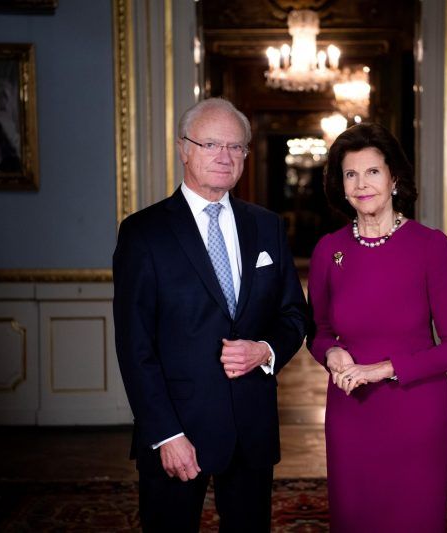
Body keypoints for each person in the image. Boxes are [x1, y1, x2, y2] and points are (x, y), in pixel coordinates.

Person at [113, 97, 307, 532]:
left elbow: (294, 314)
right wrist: (165, 434)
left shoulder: (267, 226)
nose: (225, 156)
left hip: (252, 430)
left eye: (236, 147)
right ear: (184, 149)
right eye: (211, 144)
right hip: (178, 432)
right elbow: (134, 345)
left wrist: (265, 349)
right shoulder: (144, 233)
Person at [307, 122, 447, 532]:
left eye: (373, 172)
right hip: (350, 413)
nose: (362, 184)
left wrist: (380, 369)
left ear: (394, 178)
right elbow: (319, 329)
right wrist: (331, 352)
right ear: (341, 185)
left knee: (412, 517)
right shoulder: (329, 250)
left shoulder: (430, 246)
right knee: (354, 517)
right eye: (351, 174)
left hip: (415, 411)